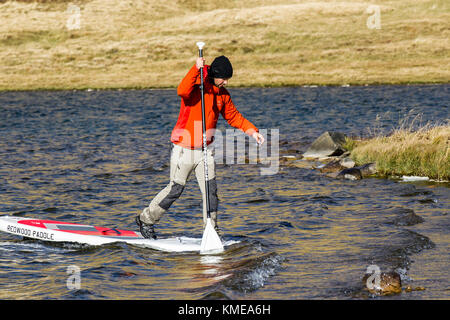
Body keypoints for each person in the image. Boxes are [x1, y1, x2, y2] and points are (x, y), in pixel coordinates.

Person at [136, 55, 265, 239]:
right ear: (215, 75)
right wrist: (196, 69)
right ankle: (146, 220)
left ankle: (211, 231)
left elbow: (234, 116)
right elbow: (182, 90)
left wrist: (253, 131)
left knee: (211, 192)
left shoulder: (223, 95)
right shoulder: (197, 89)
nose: (226, 82)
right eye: (224, 78)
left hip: (205, 151)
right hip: (184, 149)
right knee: (175, 189)